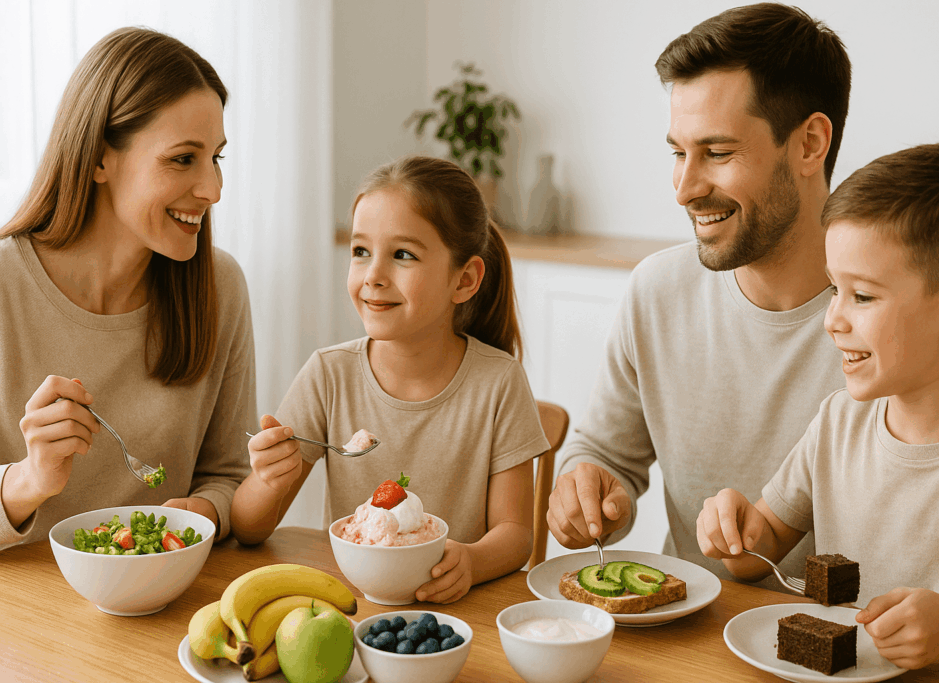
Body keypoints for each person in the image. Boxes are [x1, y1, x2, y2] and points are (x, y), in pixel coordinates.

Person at [545, 3, 939, 583]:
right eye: (678, 153)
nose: (684, 189)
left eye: (718, 153)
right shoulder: (656, 291)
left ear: (809, 144)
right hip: (691, 642)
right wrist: (588, 486)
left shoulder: (913, 322)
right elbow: (604, 454)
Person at [697, 142, 939, 672]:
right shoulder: (837, 423)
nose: (833, 320)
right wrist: (734, 531)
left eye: (863, 296)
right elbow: (757, 553)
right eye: (834, 290)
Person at [230, 155, 549, 604]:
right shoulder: (328, 375)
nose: (373, 277)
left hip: (457, 617)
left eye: (402, 255)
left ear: (465, 279)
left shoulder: (498, 383)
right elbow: (248, 527)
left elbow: (516, 534)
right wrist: (267, 480)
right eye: (361, 252)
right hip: (351, 607)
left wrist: (472, 562)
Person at [0, 27, 256, 551]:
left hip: (166, 604)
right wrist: (29, 480)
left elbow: (229, 474)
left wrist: (204, 511)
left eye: (217, 158)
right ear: (99, 158)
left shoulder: (219, 288)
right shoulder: (5, 289)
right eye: (183, 158)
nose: (212, 190)